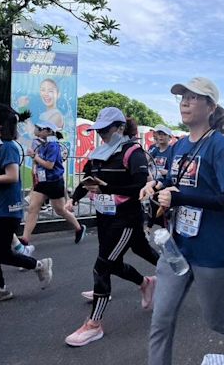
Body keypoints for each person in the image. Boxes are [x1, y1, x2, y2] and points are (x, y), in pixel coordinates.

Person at [141, 77, 224, 365]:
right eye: (183, 96)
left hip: (212, 248)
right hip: (177, 246)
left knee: (216, 318)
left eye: (194, 97)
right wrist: (155, 186)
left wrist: (180, 198)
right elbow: (174, 180)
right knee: (161, 319)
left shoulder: (219, 147)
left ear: (210, 106)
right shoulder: (180, 145)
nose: (185, 101)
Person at [64, 107, 158, 347]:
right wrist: (73, 199)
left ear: (119, 128)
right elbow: (87, 178)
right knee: (133, 252)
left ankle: (94, 325)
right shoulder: (98, 153)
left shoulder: (133, 152)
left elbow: (140, 188)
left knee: (102, 266)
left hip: (125, 218)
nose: (102, 135)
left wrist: (107, 189)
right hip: (104, 217)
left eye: (106, 130)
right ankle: (149, 282)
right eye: (99, 130)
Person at [0, 104, 53, 305]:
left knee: (0, 253)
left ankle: (39, 265)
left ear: (1, 123)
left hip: (7, 209)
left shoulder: (8, 146)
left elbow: (12, 176)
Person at [21, 121, 86, 245]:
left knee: (60, 210)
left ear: (48, 131)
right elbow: (38, 162)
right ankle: (25, 239)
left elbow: (49, 165)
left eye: (39, 128)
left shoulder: (54, 145)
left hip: (54, 181)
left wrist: (34, 156)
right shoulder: (38, 143)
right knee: (33, 209)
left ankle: (79, 227)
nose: (36, 130)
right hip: (41, 182)